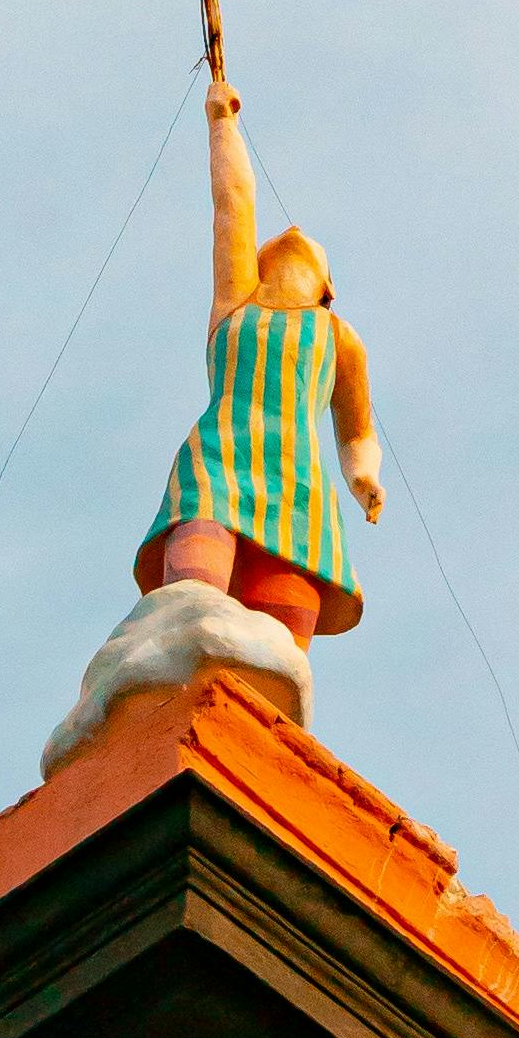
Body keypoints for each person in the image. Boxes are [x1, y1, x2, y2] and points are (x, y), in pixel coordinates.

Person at [134, 79, 382, 647]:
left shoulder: (340, 337)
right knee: (195, 583)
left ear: (328, 286)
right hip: (220, 452)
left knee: (284, 614)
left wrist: (363, 476)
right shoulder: (236, 303)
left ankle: (270, 698)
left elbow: (357, 428)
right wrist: (223, 125)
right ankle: (178, 656)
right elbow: (233, 205)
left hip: (299, 480)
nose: (291, 232)